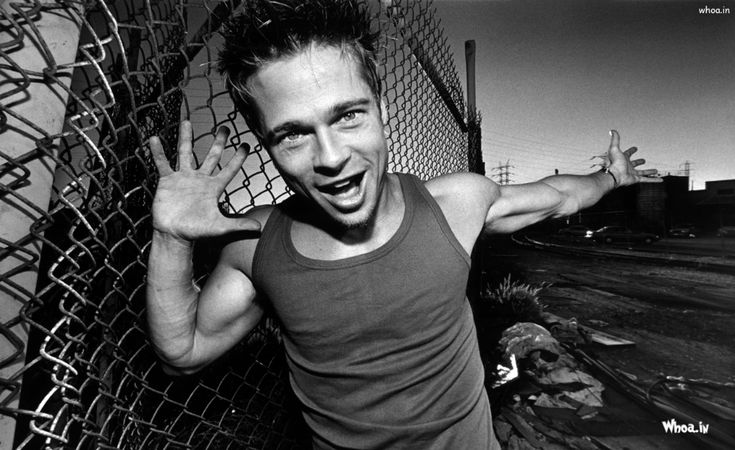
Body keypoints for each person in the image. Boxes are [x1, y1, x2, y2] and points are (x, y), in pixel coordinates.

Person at [145, 0, 661, 448]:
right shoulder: (257, 245)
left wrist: (610, 178)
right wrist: (171, 238)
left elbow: (555, 197)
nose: (331, 157)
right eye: (293, 135)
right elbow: (182, 354)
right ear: (266, 145)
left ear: (384, 112)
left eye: (348, 116)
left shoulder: (455, 204)